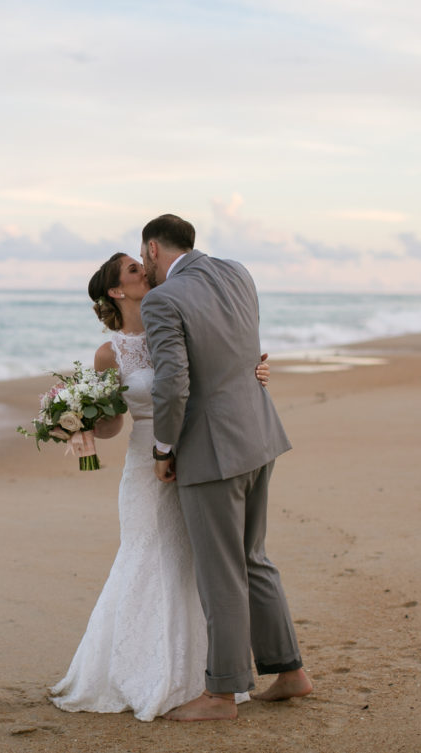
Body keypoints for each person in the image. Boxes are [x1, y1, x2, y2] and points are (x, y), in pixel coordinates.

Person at [49, 252, 271, 721]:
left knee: (192, 560)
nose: (144, 272)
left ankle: (200, 678)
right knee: (146, 552)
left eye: (141, 264)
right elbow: (112, 424)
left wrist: (258, 373)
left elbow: (219, 373)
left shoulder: (178, 321)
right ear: (115, 290)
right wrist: (78, 423)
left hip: (192, 454)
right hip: (143, 464)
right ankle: (142, 671)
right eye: (132, 270)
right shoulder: (110, 353)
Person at [139, 213, 312, 722]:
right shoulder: (238, 271)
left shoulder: (162, 299)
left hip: (212, 451)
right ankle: (290, 673)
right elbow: (240, 347)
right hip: (259, 435)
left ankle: (220, 695)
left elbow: (173, 383)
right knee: (254, 558)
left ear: (152, 249)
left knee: (221, 573)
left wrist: (164, 449)